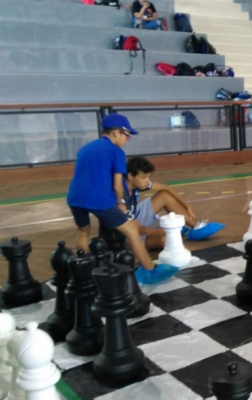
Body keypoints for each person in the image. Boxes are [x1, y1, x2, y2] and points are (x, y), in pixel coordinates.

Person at [67, 113, 178, 285]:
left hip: (75, 197)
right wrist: (120, 204)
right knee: (131, 230)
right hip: (99, 200)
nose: (127, 139)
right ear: (116, 133)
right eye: (127, 135)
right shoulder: (116, 152)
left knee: (83, 231)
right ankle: (149, 271)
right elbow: (118, 186)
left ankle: (83, 274)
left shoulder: (85, 148)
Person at [124, 156, 224, 251]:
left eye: (148, 177)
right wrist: (160, 232)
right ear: (130, 176)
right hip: (126, 234)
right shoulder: (120, 197)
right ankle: (165, 231)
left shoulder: (136, 183)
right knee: (165, 241)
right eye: (144, 177)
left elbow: (165, 188)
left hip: (136, 219)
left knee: (164, 196)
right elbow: (135, 229)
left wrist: (187, 206)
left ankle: (197, 226)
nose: (147, 181)